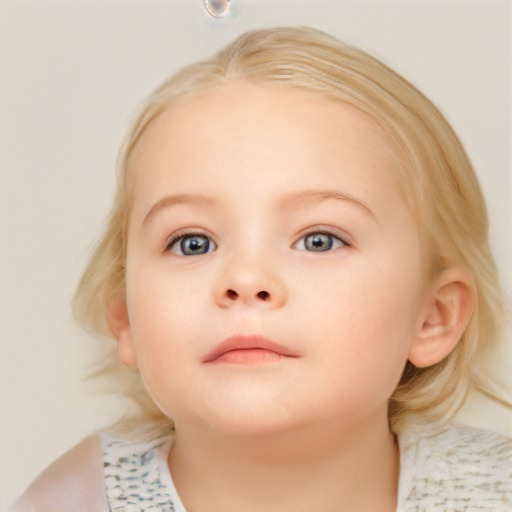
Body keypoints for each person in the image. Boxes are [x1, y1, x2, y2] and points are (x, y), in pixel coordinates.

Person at [12, 26, 511, 511]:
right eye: (192, 243)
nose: (245, 280)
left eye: (319, 240)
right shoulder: (69, 501)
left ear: (433, 316)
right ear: (125, 316)